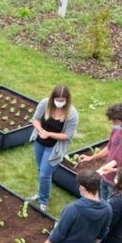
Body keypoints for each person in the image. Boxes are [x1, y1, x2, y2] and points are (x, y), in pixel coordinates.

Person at [77, 102, 122, 201]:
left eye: (115, 121)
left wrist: (114, 170)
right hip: (105, 178)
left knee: (111, 212)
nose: (113, 124)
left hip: (119, 185)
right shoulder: (117, 130)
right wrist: (91, 158)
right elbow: (109, 148)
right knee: (102, 205)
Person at [29, 85, 80, 213]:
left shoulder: (72, 114)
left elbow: (68, 135)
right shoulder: (44, 103)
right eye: (57, 99)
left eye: (62, 100)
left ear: (67, 100)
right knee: (40, 170)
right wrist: (40, 130)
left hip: (54, 148)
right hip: (40, 143)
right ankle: (40, 192)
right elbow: (35, 119)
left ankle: (43, 201)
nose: (59, 102)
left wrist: (49, 134)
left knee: (45, 175)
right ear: (53, 98)